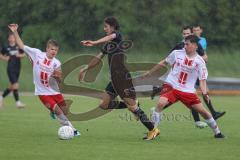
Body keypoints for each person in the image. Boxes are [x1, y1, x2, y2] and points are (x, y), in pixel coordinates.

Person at [79, 16, 159, 140]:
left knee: (132, 107)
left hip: (122, 77)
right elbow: (98, 58)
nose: (104, 28)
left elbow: (111, 36)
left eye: (106, 26)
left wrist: (94, 42)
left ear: (112, 27)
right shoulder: (107, 46)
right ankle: (133, 105)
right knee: (104, 104)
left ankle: (153, 129)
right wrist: (85, 68)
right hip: (114, 79)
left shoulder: (117, 36)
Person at [143, 35, 224, 138]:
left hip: (187, 91)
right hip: (171, 85)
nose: (185, 46)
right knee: (160, 103)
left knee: (204, 112)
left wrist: (204, 93)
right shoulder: (176, 53)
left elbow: (202, 80)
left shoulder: (200, 61)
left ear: (195, 45)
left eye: (187, 44)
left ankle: (217, 133)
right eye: (184, 43)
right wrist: (150, 72)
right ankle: (153, 131)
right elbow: (164, 62)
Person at [8, 24, 80, 137]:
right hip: (42, 92)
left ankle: (54, 113)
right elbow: (21, 45)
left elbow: (59, 80)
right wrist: (15, 31)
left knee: (65, 111)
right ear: (47, 48)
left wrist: (58, 78)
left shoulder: (57, 63)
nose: (54, 51)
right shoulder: (36, 54)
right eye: (52, 49)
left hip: (54, 90)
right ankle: (72, 130)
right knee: (59, 111)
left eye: (56, 50)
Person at [0, 33, 25, 108]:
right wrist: (5, 58)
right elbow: (0, 54)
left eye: (13, 37)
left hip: (17, 68)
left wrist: (19, 55)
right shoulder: (6, 47)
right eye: (10, 37)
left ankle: (1, 98)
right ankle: (18, 103)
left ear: (15, 39)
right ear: (8, 39)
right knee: (15, 85)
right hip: (10, 68)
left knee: (12, 86)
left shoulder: (18, 47)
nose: (12, 39)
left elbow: (24, 54)